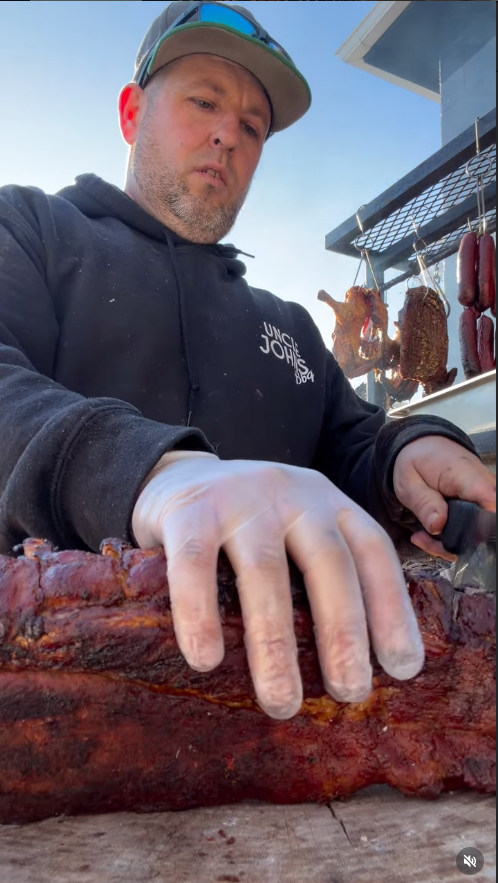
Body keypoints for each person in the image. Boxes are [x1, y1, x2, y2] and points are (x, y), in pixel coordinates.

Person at [0, 2, 494, 722]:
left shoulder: (286, 324)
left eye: (254, 126)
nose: (228, 133)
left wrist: (404, 455)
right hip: (48, 698)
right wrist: (152, 473)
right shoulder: (32, 230)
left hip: (288, 717)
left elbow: (351, 440)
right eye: (204, 101)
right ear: (132, 112)